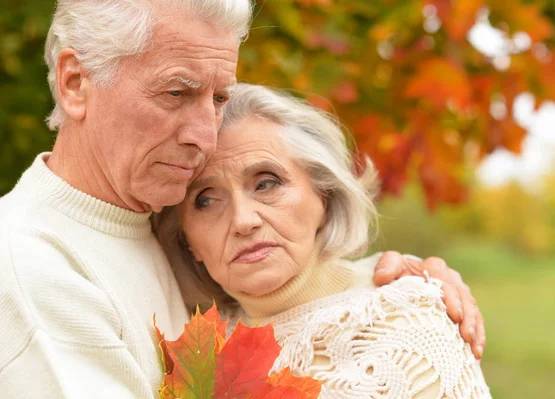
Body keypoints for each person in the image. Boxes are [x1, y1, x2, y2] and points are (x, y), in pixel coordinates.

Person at [0, 1, 484, 398]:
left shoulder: (146, 218)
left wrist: (385, 283)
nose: (205, 136)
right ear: (74, 83)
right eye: (175, 92)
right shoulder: (30, 266)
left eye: (217, 98)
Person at [154, 83, 492, 398]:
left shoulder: (407, 320)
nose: (243, 221)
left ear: (325, 196)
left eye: (266, 183)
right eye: (206, 200)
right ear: (188, 241)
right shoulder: (187, 344)